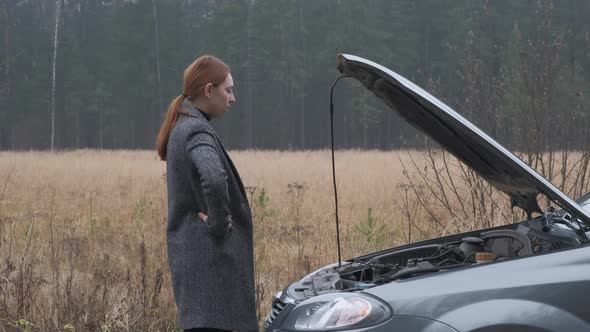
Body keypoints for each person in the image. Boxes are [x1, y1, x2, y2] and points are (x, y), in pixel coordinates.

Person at [156, 55, 258, 332]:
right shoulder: (196, 130)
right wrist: (218, 224)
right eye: (228, 89)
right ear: (209, 91)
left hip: (199, 278)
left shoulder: (183, 126)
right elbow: (214, 178)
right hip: (212, 276)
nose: (233, 98)